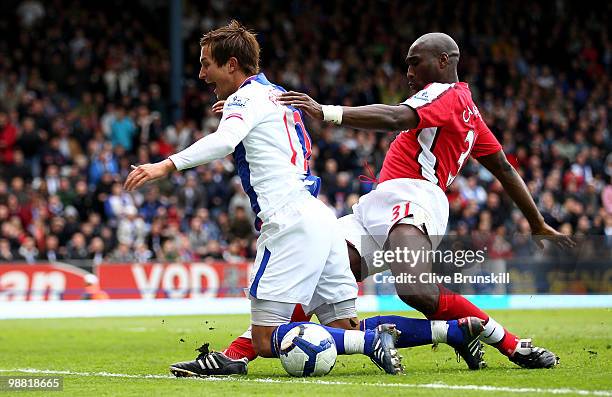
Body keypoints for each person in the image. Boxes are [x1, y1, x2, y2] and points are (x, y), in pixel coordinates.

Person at [124, 20, 406, 377]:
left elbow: (225, 141)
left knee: (264, 339)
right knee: (346, 329)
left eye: (205, 63)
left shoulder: (246, 97)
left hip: (288, 220)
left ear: (231, 65)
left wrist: (166, 165)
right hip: (320, 218)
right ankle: (446, 332)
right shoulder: (275, 94)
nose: (200, 74)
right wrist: (234, 108)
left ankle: (371, 342)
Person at [277, 32, 574, 369]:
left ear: (444, 61)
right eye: (407, 65)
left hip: (412, 199)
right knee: (316, 274)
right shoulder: (468, 115)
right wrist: (536, 223)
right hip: (377, 205)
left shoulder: (446, 94)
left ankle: (511, 345)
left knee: (415, 289)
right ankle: (238, 353)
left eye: (415, 63)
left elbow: (394, 118)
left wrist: (324, 112)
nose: (408, 73)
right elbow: (504, 169)